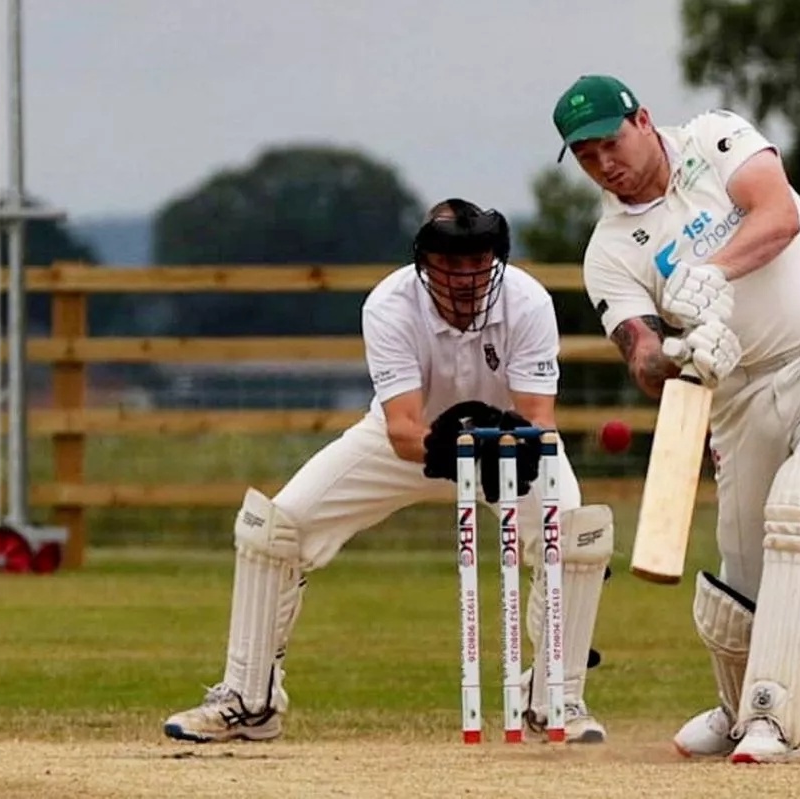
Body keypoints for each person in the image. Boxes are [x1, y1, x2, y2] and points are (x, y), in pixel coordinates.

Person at [163, 198, 612, 745]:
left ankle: (553, 699)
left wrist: (508, 451)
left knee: (576, 534)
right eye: (452, 264)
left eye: (478, 262)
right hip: (412, 441)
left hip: (504, 443)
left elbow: (539, 420)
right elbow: (402, 429)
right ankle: (248, 700)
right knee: (277, 527)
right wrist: (450, 450)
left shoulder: (527, 299)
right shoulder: (390, 304)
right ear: (426, 263)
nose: (467, 277)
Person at [551, 75, 800, 764]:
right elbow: (642, 355)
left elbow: (777, 215)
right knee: (742, 576)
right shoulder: (610, 252)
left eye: (610, 142)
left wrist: (711, 270)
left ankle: (775, 712)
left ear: (644, 120)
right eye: (585, 155)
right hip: (735, 394)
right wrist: (680, 354)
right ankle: (739, 708)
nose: (603, 163)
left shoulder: (715, 137)